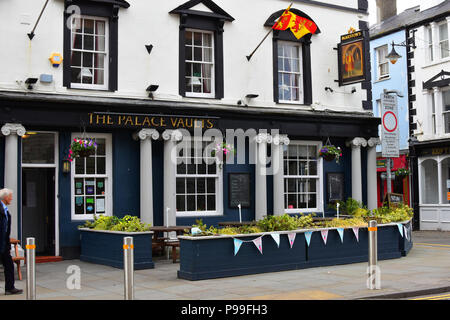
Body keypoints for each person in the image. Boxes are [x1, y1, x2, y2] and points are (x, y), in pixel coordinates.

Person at [0, 188, 23, 295]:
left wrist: (7, 246)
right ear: (5, 197)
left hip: (4, 244)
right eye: (10, 196)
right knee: (9, 265)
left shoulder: (5, 209)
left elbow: (6, 229)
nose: (12, 198)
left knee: (9, 265)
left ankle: (9, 288)